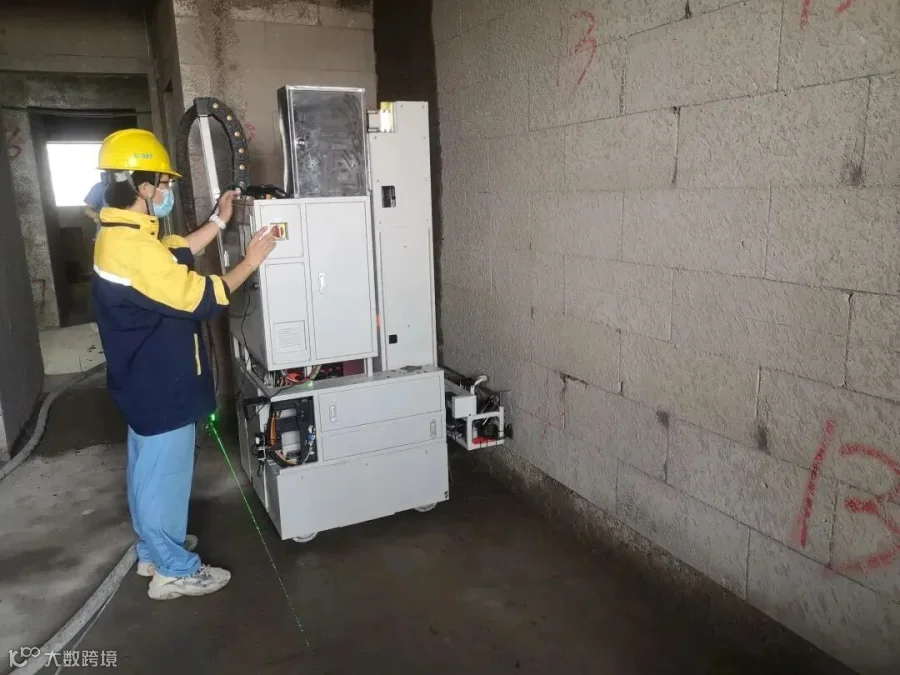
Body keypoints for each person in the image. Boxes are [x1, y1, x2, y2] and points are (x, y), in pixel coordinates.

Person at [92, 128, 275, 600]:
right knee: (164, 480)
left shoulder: (121, 233)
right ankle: (173, 570)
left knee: (147, 473)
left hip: (143, 379)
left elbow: (173, 253)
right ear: (141, 186)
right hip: (161, 384)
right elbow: (200, 296)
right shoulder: (132, 248)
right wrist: (250, 261)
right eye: (163, 183)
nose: (167, 190)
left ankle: (154, 551)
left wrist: (218, 221)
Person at [83, 173, 108, 239]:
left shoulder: (128, 186)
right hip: (104, 235)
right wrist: (96, 216)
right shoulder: (99, 187)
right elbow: (87, 209)